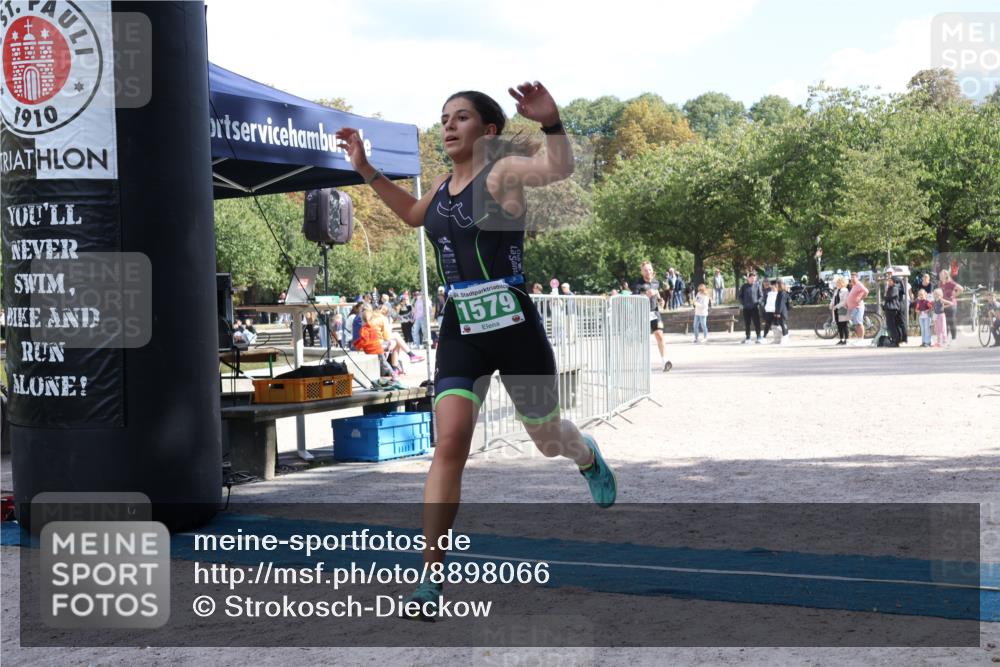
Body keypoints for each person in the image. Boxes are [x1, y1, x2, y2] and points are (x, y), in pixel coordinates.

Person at [337, 82, 617, 617]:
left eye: (461, 117)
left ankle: (585, 454)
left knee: (547, 439)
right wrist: (365, 168)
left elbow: (557, 168)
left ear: (487, 131)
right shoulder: (441, 187)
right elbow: (412, 215)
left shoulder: (503, 172)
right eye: (444, 117)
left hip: (515, 327)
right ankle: (430, 577)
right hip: (461, 328)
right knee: (450, 444)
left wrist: (551, 123)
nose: (448, 125)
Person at [636, 260, 672, 371]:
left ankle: (665, 361)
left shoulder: (656, 282)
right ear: (642, 272)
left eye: (649, 269)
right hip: (641, 313)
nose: (648, 272)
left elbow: (657, 294)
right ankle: (640, 363)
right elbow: (634, 297)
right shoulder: (638, 283)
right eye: (645, 270)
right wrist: (645, 294)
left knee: (660, 335)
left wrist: (661, 301)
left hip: (654, 312)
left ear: (652, 270)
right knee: (641, 339)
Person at [738, 272, 763, 344]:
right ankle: (748, 337)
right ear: (748, 278)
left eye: (754, 278)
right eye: (751, 278)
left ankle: (759, 337)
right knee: (747, 323)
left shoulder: (757, 286)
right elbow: (740, 296)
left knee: (757, 323)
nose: (753, 279)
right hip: (746, 308)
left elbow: (761, 296)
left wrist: (758, 302)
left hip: (755, 308)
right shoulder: (744, 286)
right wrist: (743, 303)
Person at [938, 269, 963, 342]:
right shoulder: (940, 283)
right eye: (940, 274)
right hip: (943, 305)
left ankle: (954, 338)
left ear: (946, 275)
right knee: (944, 322)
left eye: (941, 274)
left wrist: (955, 295)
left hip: (951, 305)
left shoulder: (950, 283)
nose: (940, 276)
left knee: (951, 321)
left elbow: (961, 289)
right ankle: (945, 338)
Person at [846, 271, 870, 345]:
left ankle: (861, 339)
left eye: (854, 277)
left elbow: (866, 291)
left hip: (858, 307)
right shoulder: (854, 285)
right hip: (853, 307)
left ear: (857, 278)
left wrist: (861, 298)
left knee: (859, 323)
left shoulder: (859, 284)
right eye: (851, 277)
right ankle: (859, 339)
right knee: (856, 324)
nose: (852, 278)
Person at [882, 273, 903, 346]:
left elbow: (891, 296)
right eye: (888, 281)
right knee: (891, 326)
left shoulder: (894, 288)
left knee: (892, 326)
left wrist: (885, 296)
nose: (889, 282)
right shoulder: (891, 288)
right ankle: (894, 340)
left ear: (894, 281)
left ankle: (895, 341)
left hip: (892, 308)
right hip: (890, 308)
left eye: (890, 281)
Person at [829, 276, 850, 345]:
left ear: (842, 283)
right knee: (839, 325)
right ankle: (841, 339)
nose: (837, 283)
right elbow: (833, 298)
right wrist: (831, 304)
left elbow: (844, 301)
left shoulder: (845, 290)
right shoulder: (837, 290)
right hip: (836, 309)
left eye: (838, 282)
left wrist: (837, 306)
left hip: (842, 309)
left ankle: (846, 340)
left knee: (844, 324)